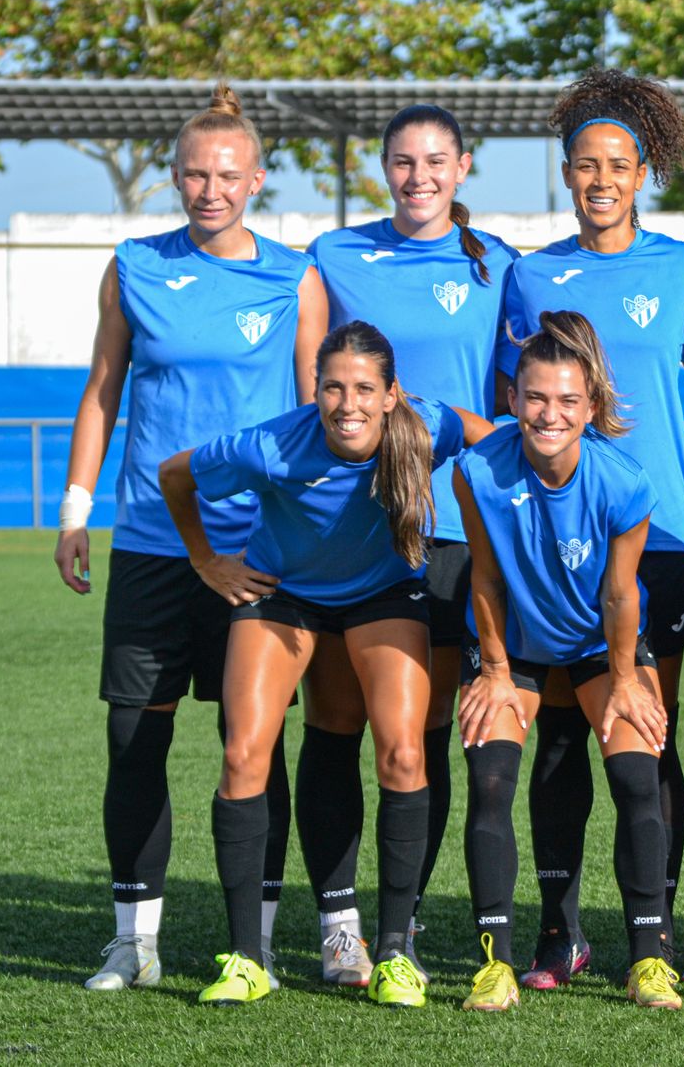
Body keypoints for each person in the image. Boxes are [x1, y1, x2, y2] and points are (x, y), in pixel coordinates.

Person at [54, 82, 327, 993]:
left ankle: (260, 938)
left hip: (256, 554)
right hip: (150, 545)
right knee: (135, 741)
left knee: (255, 746)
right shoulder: (132, 265)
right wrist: (75, 507)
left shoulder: (294, 276)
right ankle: (133, 940)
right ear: (173, 177)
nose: (209, 189)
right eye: (193, 174)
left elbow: (311, 419)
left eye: (227, 174)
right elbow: (103, 392)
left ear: (256, 178)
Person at [159, 322, 473, 1007]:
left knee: (404, 756)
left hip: (384, 595)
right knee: (243, 755)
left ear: (393, 395)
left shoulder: (425, 426)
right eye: (333, 387)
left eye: (365, 388)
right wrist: (207, 561)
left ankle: (394, 953)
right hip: (284, 595)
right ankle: (248, 958)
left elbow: (497, 443)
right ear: (315, 389)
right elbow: (174, 475)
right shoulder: (270, 445)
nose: (347, 403)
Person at [501, 70, 684, 989]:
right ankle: (558, 928)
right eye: (585, 165)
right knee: (557, 739)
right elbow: (511, 412)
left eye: (617, 165)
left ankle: (651, 937)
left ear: (643, 172)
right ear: (566, 172)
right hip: (549, 543)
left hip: (657, 536)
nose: (600, 179)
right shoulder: (529, 274)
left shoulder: (683, 269)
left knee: (643, 731)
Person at [300, 104, 514, 985]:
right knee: (334, 721)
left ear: (463, 167)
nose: (417, 176)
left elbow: (511, 395)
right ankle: (337, 922)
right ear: (382, 169)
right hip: (355, 529)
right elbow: (310, 388)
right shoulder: (335, 255)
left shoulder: (497, 262)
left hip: (455, 532)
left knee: (423, 735)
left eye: (434, 161)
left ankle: (404, 925)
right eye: (401, 161)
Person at [452, 310, 681, 1012]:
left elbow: (619, 594)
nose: (550, 414)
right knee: (490, 778)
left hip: (595, 643)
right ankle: (496, 964)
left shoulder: (623, 482)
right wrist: (492, 671)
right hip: (511, 642)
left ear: (590, 408)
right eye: (536, 398)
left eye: (566, 401)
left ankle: (650, 959)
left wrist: (623, 682)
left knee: (638, 770)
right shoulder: (477, 472)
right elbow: (485, 579)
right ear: (514, 400)